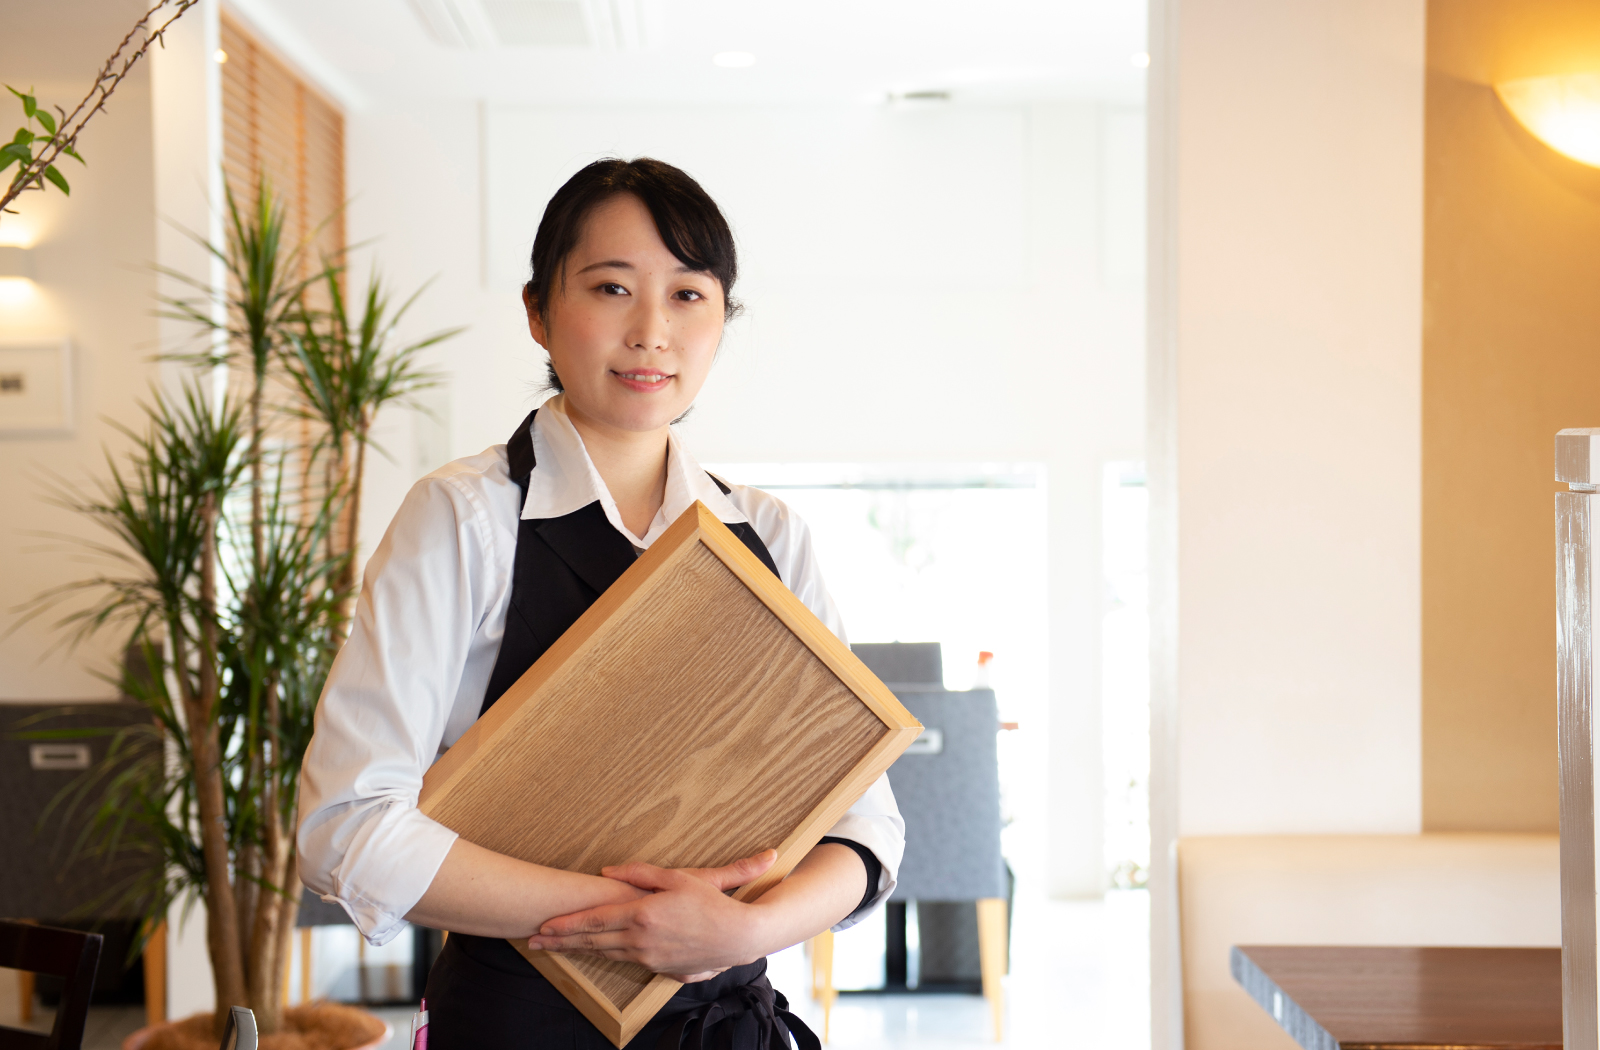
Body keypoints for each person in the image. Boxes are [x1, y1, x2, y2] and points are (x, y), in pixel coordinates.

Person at [296, 157, 905, 1048]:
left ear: (721, 321)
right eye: (612, 287)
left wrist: (745, 930)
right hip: (520, 1025)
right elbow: (347, 825)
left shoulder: (770, 533)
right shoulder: (464, 518)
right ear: (539, 313)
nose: (652, 331)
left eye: (689, 295)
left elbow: (866, 817)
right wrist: (631, 918)